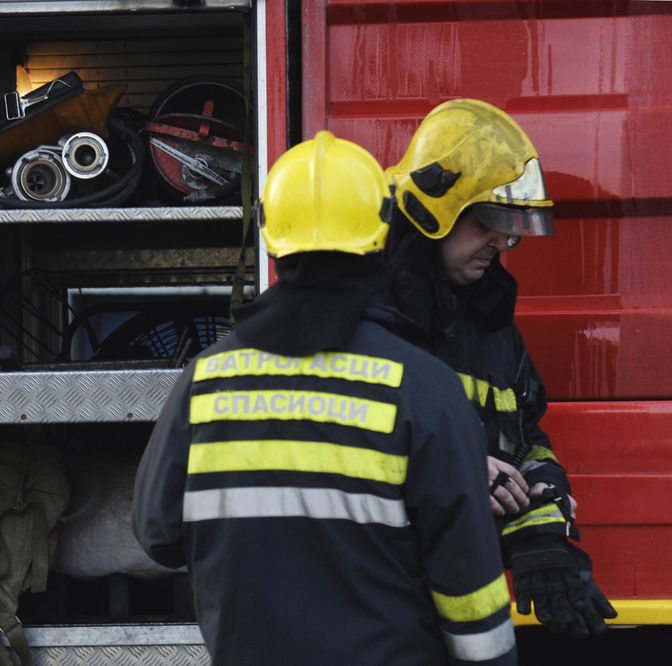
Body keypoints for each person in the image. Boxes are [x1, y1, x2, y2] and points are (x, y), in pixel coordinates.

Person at [132, 131, 516, 665]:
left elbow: (159, 534)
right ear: (381, 230)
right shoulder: (422, 387)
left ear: (271, 232)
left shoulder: (205, 382)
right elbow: (468, 582)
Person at [383, 98, 618, 638]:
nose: (505, 242)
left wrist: (540, 536)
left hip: (461, 611)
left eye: (513, 227)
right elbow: (328, 454)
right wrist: (451, 471)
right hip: (375, 607)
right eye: (490, 221)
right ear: (433, 210)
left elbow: (522, 440)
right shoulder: (365, 319)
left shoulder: (491, 325)